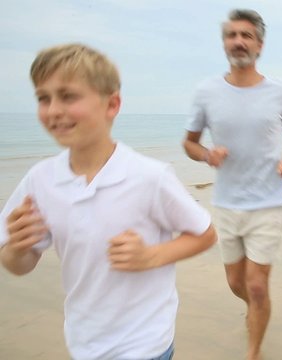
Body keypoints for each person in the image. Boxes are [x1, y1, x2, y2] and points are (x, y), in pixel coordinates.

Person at [0, 43, 217, 359]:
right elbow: (18, 264)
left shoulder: (149, 176)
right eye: (43, 98)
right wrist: (17, 247)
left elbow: (205, 233)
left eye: (68, 96)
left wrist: (151, 256)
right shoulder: (40, 180)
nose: (53, 110)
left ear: (112, 104)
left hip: (147, 344)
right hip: (84, 344)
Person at [183, 9, 282, 360]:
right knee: (237, 284)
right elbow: (188, 143)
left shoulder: (281, 92)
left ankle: (254, 351)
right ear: (224, 44)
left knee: (256, 285)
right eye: (232, 35)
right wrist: (207, 155)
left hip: (269, 202)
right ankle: (257, 309)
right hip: (227, 203)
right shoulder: (206, 92)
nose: (238, 42)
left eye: (246, 35)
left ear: (259, 45)